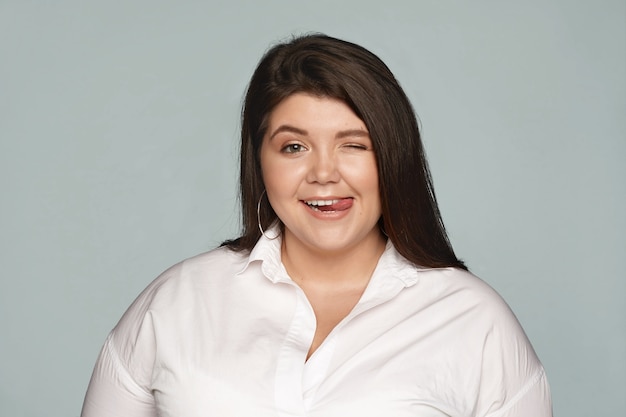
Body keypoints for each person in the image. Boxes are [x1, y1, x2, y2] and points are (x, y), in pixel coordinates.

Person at [81, 34, 552, 416]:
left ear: (393, 158)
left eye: (354, 145)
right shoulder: (175, 303)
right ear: (258, 161)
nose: (324, 173)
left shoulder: (474, 322)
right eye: (294, 147)